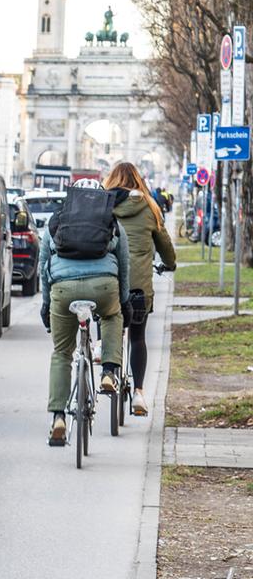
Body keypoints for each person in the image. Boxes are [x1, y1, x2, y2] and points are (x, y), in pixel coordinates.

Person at [38, 186, 130, 445]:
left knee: (61, 352)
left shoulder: (56, 220)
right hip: (103, 286)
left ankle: (58, 417)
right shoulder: (110, 221)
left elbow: (43, 265)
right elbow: (124, 264)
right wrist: (122, 302)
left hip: (63, 289)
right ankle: (109, 371)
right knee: (112, 317)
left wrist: (46, 304)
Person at [105, 161, 178, 417]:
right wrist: (170, 264)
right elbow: (165, 244)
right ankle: (138, 393)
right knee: (137, 337)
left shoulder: (102, 204)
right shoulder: (149, 206)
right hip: (138, 286)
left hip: (108, 280)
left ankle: (107, 368)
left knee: (106, 317)